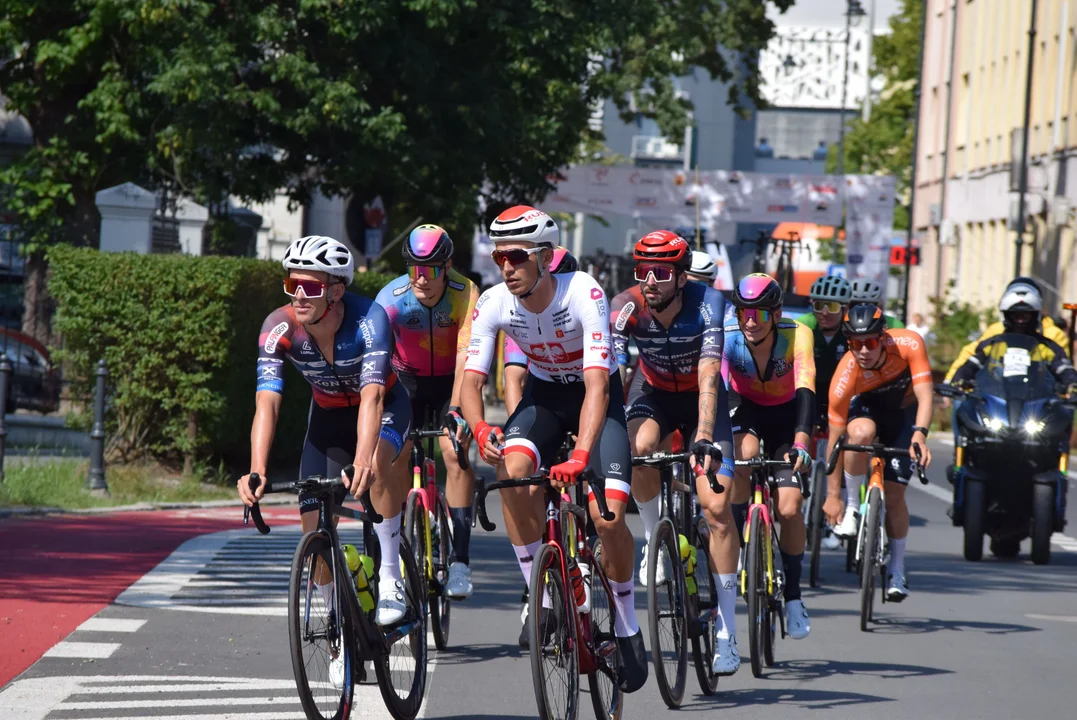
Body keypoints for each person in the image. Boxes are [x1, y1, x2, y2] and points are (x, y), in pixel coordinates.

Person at [459, 205, 649, 693]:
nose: (506, 267)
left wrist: (581, 456)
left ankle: (626, 621)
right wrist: (481, 429)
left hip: (595, 401)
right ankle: (541, 593)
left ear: (543, 257)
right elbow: (471, 381)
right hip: (544, 399)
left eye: (517, 256)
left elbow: (597, 388)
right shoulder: (495, 301)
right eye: (500, 256)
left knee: (607, 518)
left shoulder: (583, 291)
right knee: (512, 471)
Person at [238, 235, 414, 640]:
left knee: (382, 464)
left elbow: (372, 396)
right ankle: (337, 627)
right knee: (313, 527)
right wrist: (256, 470)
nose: (299, 295)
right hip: (328, 418)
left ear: (335, 291)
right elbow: (267, 403)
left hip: (384, 407)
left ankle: (390, 576)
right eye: (291, 285)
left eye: (311, 287)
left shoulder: (369, 319)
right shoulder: (277, 328)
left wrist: (366, 458)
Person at [611, 230, 739, 674]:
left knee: (717, 507)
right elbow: (610, 370)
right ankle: (655, 540)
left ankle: (727, 630)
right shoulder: (625, 305)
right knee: (638, 449)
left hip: (702, 399)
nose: (650, 280)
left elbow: (708, 374)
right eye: (642, 270)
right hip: (655, 391)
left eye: (661, 272)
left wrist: (703, 436)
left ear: (682, 277)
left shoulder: (709, 304)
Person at [374, 224, 479, 599]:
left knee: (454, 452)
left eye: (431, 269)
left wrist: (454, 409)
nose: (421, 279)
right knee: (395, 453)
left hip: (453, 380)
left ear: (447, 266)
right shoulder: (390, 298)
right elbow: (377, 360)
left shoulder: (466, 294)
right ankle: (401, 532)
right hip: (407, 384)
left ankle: (461, 562)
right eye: (413, 269)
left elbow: (468, 358)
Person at [721, 273, 817, 640]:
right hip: (744, 408)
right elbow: (720, 386)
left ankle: (793, 596)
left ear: (775, 315)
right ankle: (743, 540)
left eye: (759, 314)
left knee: (790, 507)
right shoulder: (730, 334)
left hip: (787, 415)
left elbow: (807, 390)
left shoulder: (797, 334)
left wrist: (803, 444)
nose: (749, 321)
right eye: (743, 311)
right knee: (743, 455)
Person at [823, 304, 934, 601]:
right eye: (855, 344)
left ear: (882, 337)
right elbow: (834, 442)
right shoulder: (845, 374)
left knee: (895, 495)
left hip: (903, 413)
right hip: (868, 410)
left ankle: (897, 569)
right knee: (858, 434)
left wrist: (919, 436)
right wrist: (833, 496)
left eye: (870, 342)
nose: (863, 350)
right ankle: (853, 508)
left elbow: (925, 396)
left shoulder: (909, 343)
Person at [943, 278, 1072, 472]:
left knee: (1065, 414)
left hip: (1035, 401)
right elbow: (971, 357)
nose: (1020, 319)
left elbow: (1063, 366)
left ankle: (1057, 469)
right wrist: (954, 380)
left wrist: (1071, 384)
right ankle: (960, 458)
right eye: (1016, 314)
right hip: (998, 397)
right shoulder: (994, 336)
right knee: (962, 404)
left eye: (1026, 314)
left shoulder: (1051, 339)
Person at [797, 274, 854, 544]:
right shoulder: (804, 326)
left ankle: (843, 496)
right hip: (813, 391)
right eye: (818, 305)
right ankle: (800, 481)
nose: (823, 313)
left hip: (845, 395)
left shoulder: (853, 332)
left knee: (846, 438)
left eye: (831, 307)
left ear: (845, 309)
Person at [502, 246, 579, 415]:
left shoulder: (584, 311)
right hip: (542, 397)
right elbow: (514, 378)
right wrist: (516, 432)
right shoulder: (519, 319)